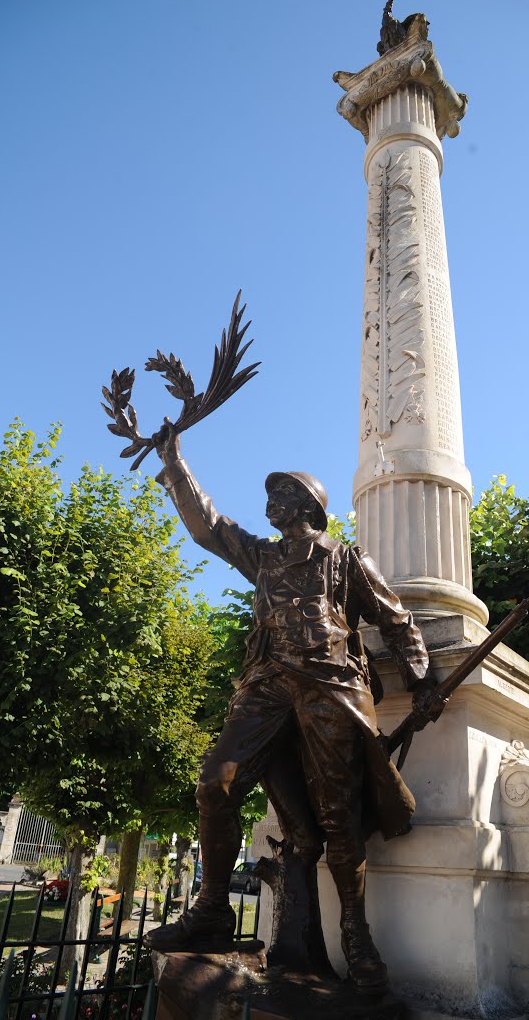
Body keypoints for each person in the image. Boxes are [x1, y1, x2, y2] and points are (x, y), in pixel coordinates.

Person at [145, 424, 431, 991]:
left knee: (338, 817)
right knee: (214, 785)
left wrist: (424, 682)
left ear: (306, 506)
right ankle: (211, 911)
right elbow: (209, 525)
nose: (269, 501)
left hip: (331, 689)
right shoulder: (263, 557)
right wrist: (174, 462)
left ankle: (356, 933)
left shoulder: (345, 559)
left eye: (280, 493)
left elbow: (398, 623)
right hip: (267, 685)